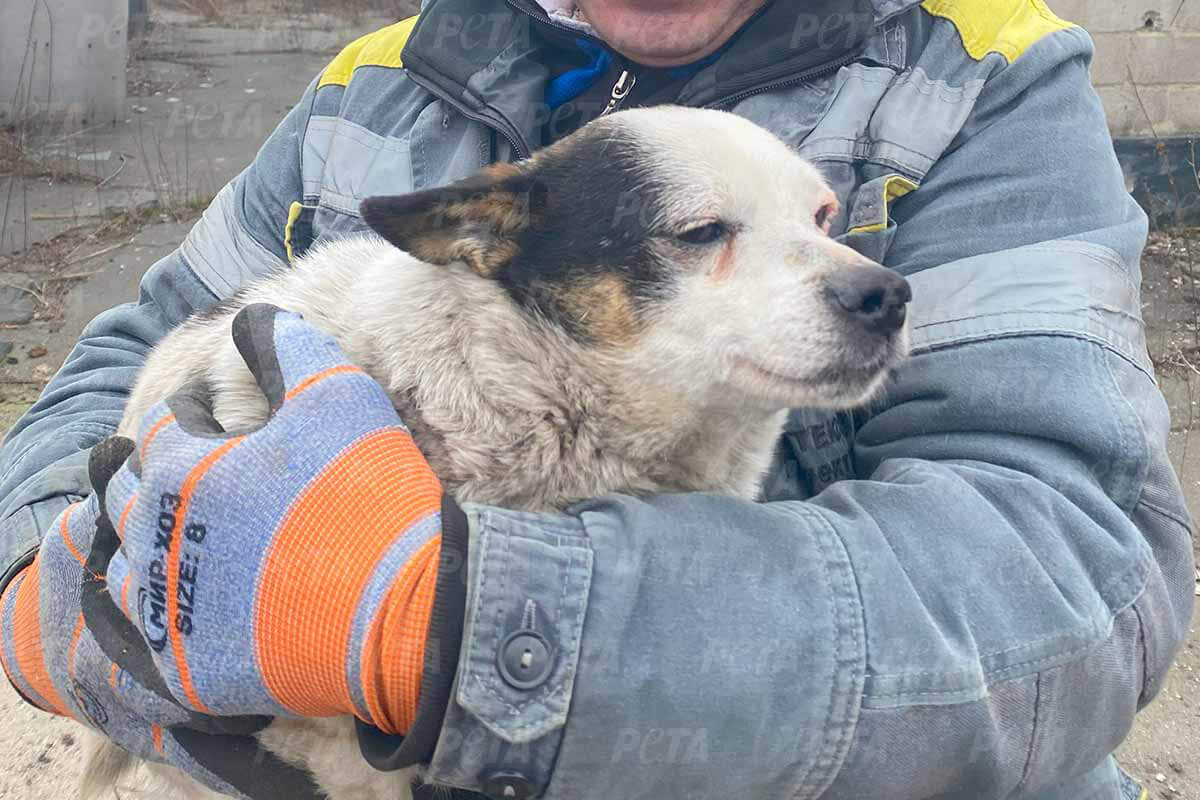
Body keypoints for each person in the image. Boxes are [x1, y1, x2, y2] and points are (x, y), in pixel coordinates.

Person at [0, 1, 1192, 798]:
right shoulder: (378, 80)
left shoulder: (981, 72)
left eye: (826, 223)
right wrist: (38, 581)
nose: (859, 283)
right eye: (703, 235)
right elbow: (128, 357)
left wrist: (457, 622)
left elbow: (1073, 586)